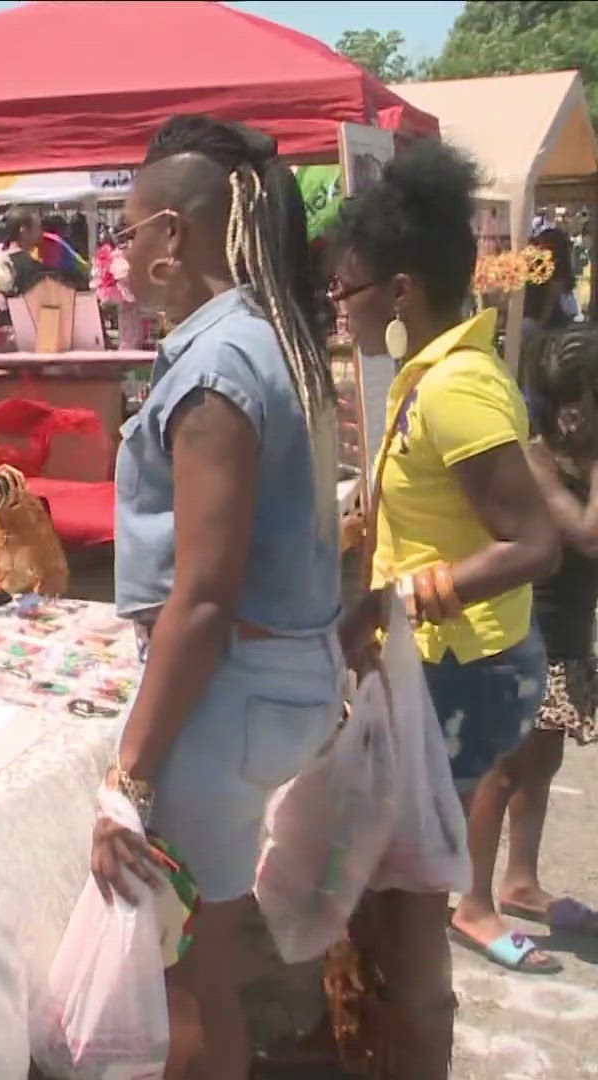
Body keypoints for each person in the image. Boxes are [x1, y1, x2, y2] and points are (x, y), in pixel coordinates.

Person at [96, 115, 344, 1078]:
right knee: (211, 961)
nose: (115, 258)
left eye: (122, 234)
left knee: (183, 976)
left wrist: (130, 775)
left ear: (171, 236)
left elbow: (202, 595)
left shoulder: (216, 365)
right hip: (281, 681)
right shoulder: (271, 337)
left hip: (227, 694)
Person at [334, 139, 560, 1068]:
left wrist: (420, 590)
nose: (337, 311)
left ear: (396, 290)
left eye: (344, 291)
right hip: (437, 664)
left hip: (462, 673)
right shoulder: (429, 375)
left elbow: (534, 541)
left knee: (415, 915)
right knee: (392, 905)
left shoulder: (456, 389)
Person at [498, 329, 598, 934]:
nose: (573, 413)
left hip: (567, 641)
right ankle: (484, 891)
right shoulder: (537, 462)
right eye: (564, 397)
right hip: (528, 637)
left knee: (541, 768)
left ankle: (521, 878)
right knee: (507, 770)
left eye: (585, 397)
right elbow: (587, 535)